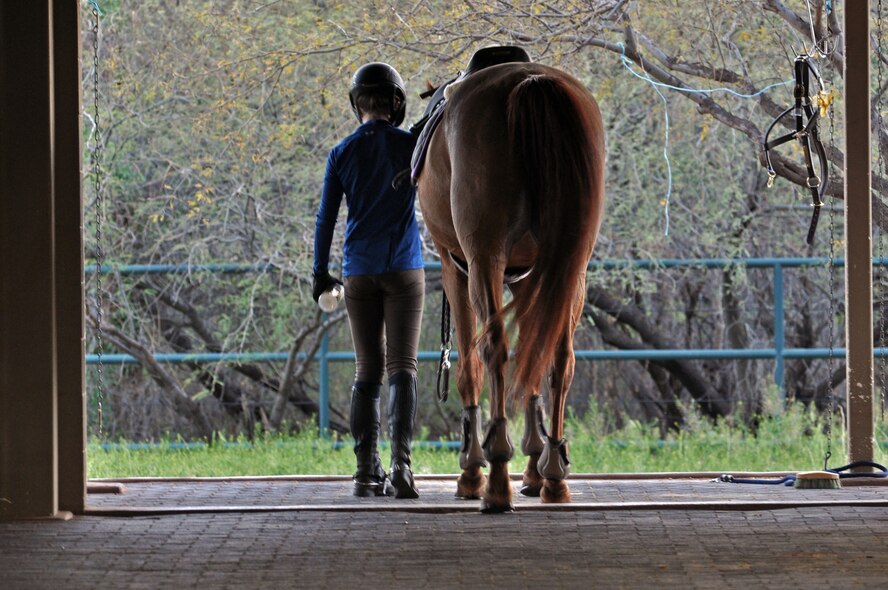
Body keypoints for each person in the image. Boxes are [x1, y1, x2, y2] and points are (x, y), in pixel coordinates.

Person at [312, 62, 425, 499]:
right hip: (404, 267)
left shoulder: (341, 153)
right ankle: (401, 468)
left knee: (367, 369)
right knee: (403, 367)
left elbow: (326, 218)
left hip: (359, 270)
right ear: (395, 103)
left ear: (357, 103)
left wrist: (320, 273)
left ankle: (364, 471)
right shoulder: (412, 146)